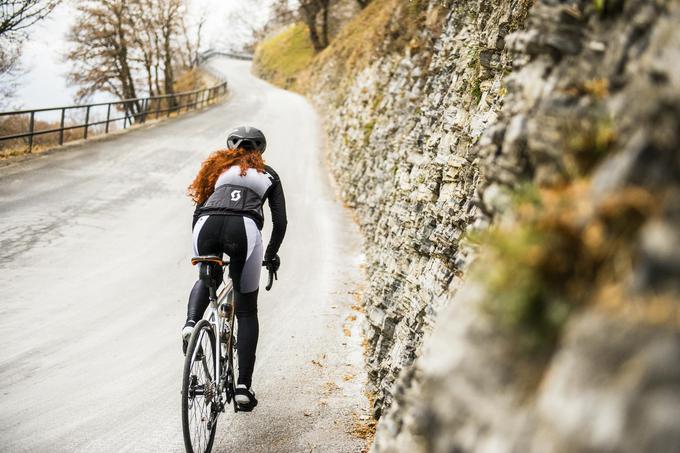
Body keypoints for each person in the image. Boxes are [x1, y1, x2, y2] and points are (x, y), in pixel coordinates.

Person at [182, 126, 287, 410]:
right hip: (244, 229)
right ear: (260, 151)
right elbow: (280, 222)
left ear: (231, 147)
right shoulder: (269, 174)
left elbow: (197, 211)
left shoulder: (217, 167)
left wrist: (205, 254)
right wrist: (271, 254)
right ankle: (242, 386)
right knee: (246, 310)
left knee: (207, 279)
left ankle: (191, 325)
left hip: (206, 225)